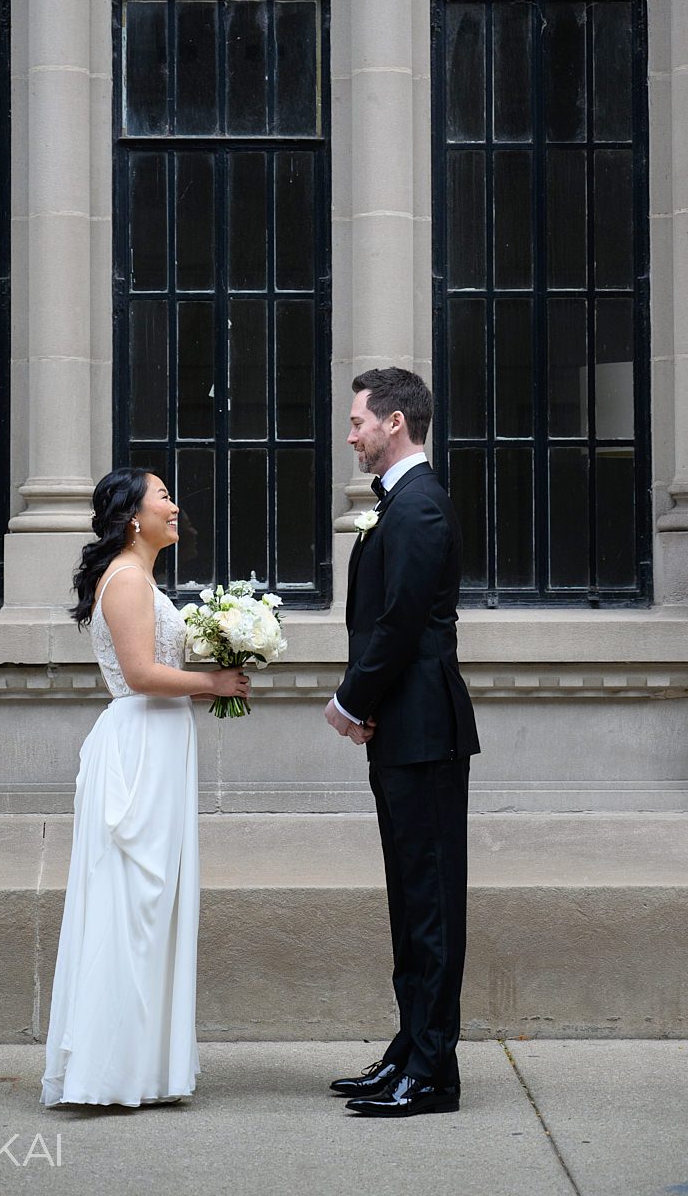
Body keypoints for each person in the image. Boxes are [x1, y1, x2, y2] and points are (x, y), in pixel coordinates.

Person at [40, 468, 249, 1108]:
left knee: (153, 909)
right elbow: (139, 672)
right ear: (134, 516)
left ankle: (147, 1069)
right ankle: (111, 1071)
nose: (175, 506)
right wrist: (215, 685)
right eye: (163, 496)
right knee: (131, 904)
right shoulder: (128, 580)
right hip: (138, 746)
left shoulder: (143, 579)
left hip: (161, 744)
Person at [325, 368, 480, 1118]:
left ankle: (433, 1072)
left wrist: (350, 699)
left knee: (430, 904)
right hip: (403, 730)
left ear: (393, 423)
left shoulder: (417, 508)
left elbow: (399, 622)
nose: (350, 434)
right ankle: (410, 1049)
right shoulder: (400, 504)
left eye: (358, 421)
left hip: (422, 730)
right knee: (409, 898)